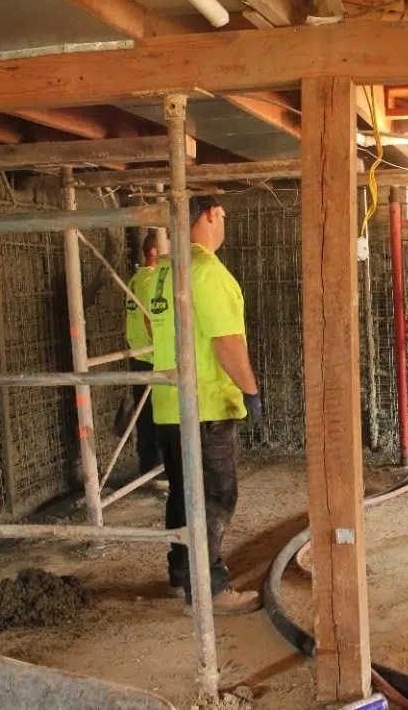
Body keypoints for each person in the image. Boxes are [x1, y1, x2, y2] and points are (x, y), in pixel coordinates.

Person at [149, 195, 263, 614]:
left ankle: (181, 577)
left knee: (182, 493)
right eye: (224, 215)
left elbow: (149, 323)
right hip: (208, 404)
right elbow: (226, 343)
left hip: (168, 403)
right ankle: (210, 590)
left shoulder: (162, 271)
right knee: (215, 496)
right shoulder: (208, 271)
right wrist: (250, 390)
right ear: (212, 214)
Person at [124, 230, 164, 486]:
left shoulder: (134, 279)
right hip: (151, 355)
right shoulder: (150, 280)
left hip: (139, 354)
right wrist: (164, 350)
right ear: (153, 251)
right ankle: (156, 468)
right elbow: (152, 319)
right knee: (158, 415)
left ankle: (148, 465)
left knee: (146, 414)